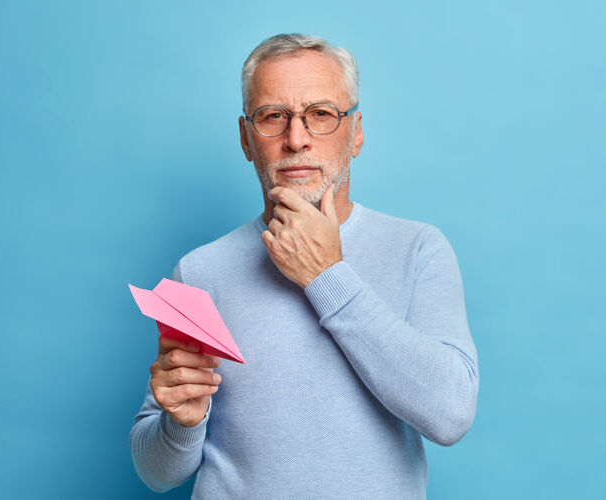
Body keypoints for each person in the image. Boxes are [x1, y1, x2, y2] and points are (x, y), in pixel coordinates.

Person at [129, 33, 479, 499]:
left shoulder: (417, 250)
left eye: (321, 115)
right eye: (273, 117)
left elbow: (450, 414)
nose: (297, 139)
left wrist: (326, 275)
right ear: (246, 138)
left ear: (355, 132)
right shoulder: (198, 272)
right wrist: (180, 424)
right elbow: (157, 473)